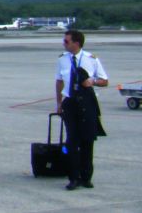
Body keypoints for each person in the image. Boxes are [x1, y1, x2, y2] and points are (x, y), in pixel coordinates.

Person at [55, 29, 108, 190]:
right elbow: (59, 82)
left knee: (87, 140)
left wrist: (92, 82)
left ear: (76, 43)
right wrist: (59, 103)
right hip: (70, 103)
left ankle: (86, 177)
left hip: (87, 102)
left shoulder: (91, 59)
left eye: (66, 41)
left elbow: (105, 81)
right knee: (72, 141)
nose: (64, 44)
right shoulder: (63, 60)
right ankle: (73, 177)